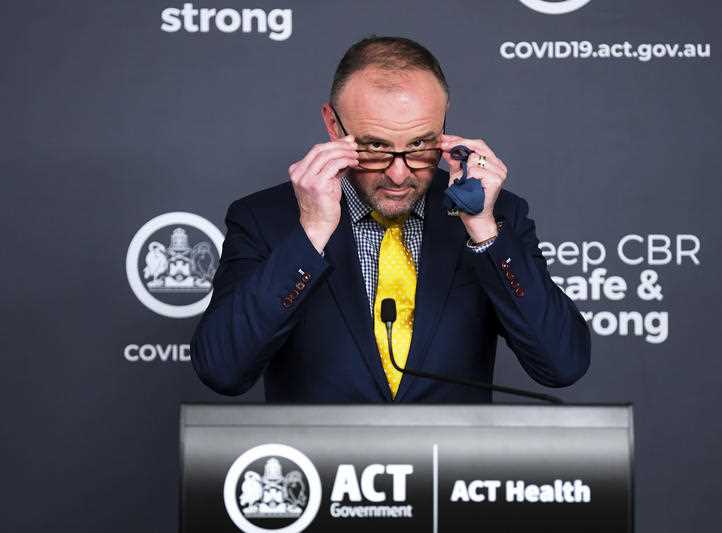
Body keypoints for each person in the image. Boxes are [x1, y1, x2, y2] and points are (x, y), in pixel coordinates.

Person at [190, 36, 590, 402]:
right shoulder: (265, 219)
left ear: (444, 124)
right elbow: (223, 370)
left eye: (419, 145)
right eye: (376, 147)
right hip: (319, 474)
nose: (399, 174)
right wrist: (310, 234)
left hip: (454, 475)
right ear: (333, 125)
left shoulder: (496, 213)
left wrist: (485, 232)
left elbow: (562, 365)